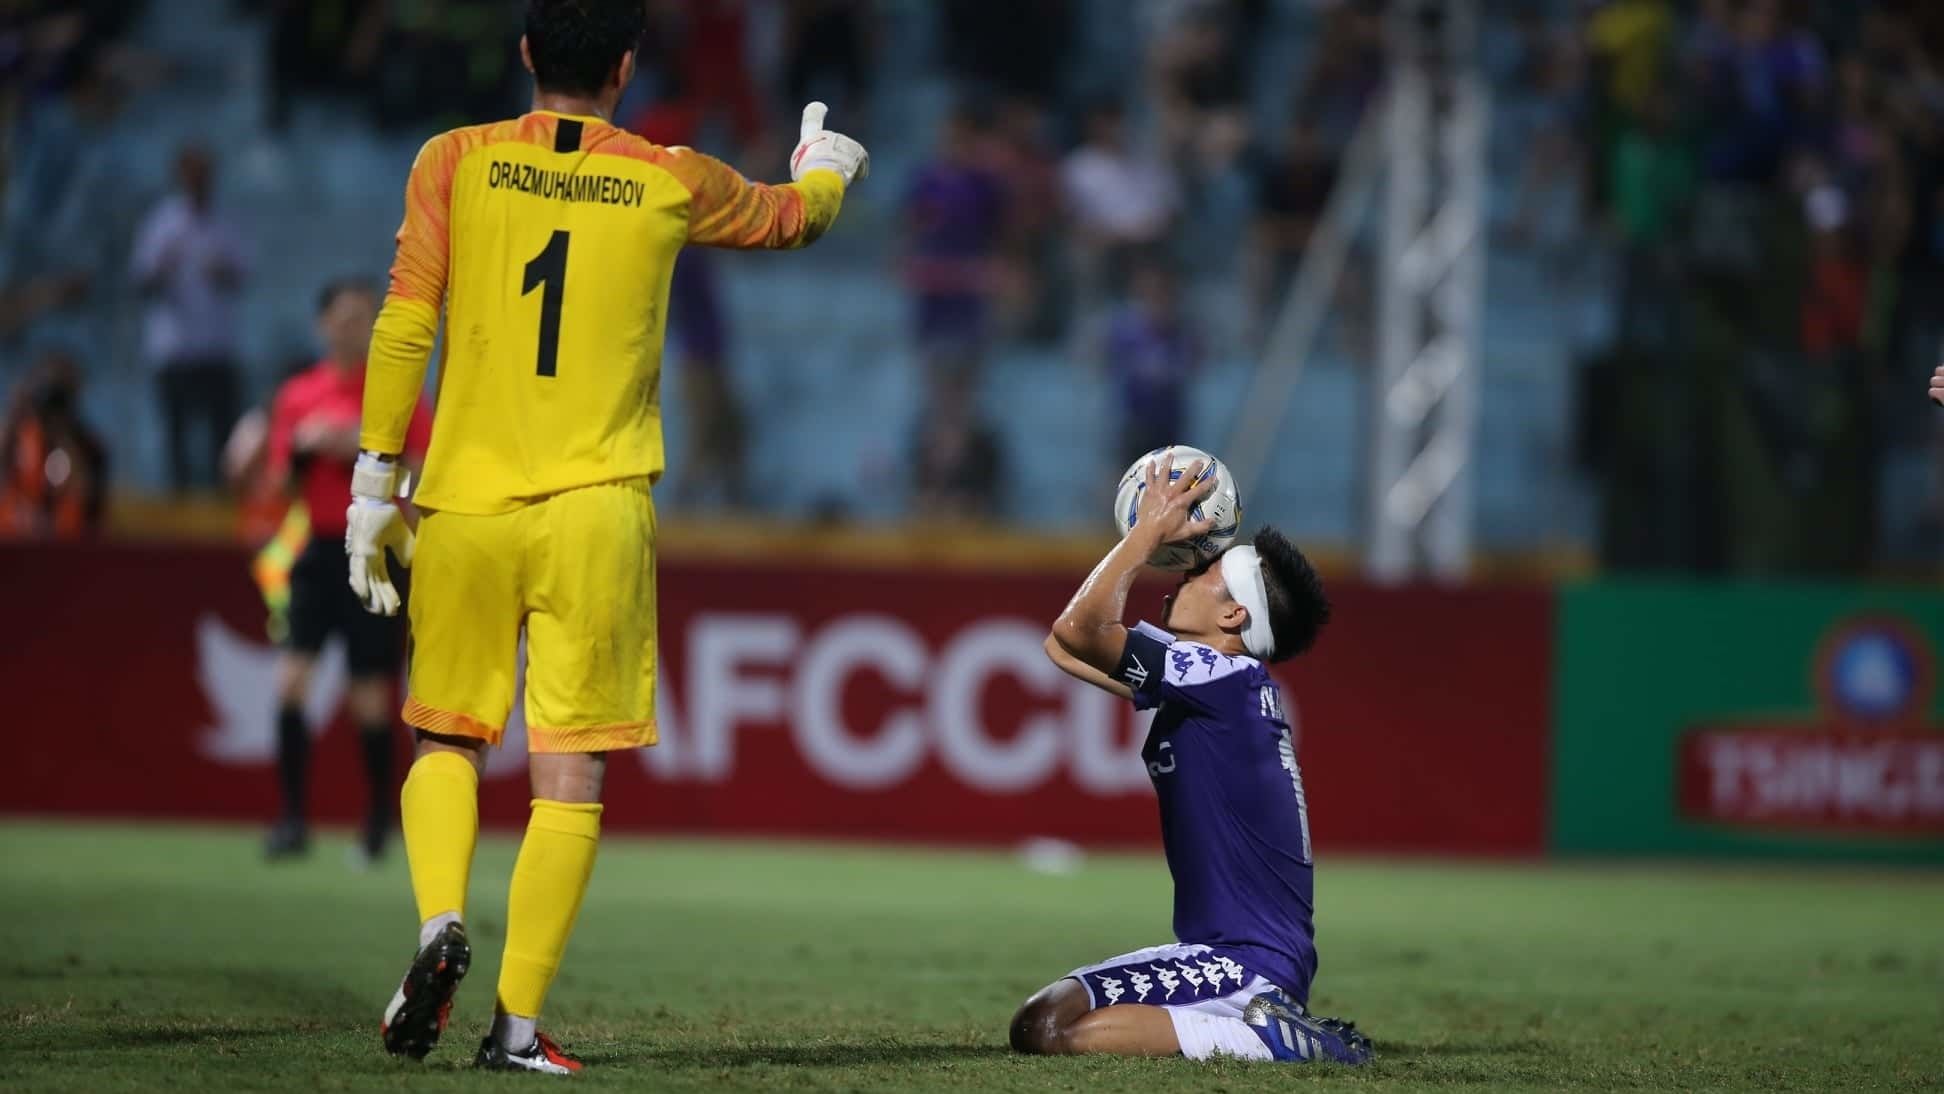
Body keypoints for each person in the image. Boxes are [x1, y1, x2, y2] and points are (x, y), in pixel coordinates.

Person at [348, 0, 868, 1074]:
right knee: (569, 774)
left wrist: (371, 484)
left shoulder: (454, 160)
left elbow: (405, 318)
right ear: (627, 67)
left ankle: (438, 918)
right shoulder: (668, 175)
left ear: (528, 52)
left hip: (466, 504)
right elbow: (790, 218)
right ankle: (516, 1029)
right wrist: (827, 163)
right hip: (597, 506)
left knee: (448, 736)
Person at [1010, 453, 1370, 1066]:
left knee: (1044, 1026)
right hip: (1227, 956)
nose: (1184, 576)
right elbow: (1063, 644)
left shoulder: (1219, 677)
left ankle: (1279, 1042)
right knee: (1045, 1020)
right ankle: (1262, 1029)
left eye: (1208, 575)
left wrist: (1145, 532)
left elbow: (1077, 633)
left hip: (1242, 960)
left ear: (1234, 615)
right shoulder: (1224, 685)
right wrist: (1139, 545)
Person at [260, 281, 432, 864]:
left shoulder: (401, 394)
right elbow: (280, 486)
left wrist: (362, 451)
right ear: (322, 325)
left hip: (376, 550)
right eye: (344, 316)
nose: (353, 327)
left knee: (369, 697)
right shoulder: (298, 396)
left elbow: (421, 481)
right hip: (315, 552)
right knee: (289, 684)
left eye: (365, 317)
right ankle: (291, 820)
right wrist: (307, 453)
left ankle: (379, 821)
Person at [130, 143, 250, 493]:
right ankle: (178, 507)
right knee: (176, 434)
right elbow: (141, 281)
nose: (199, 181)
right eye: (193, 173)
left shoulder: (227, 223)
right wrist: (164, 267)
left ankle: (220, 506)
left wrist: (222, 272)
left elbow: (243, 274)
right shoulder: (161, 223)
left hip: (216, 346)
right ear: (181, 177)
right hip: (174, 347)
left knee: (221, 434)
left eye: (205, 174)